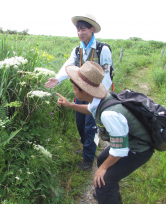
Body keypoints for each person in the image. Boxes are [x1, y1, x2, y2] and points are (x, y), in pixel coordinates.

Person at [56, 61, 154, 204]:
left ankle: (107, 193)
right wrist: (70, 105)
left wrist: (102, 169)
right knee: (102, 159)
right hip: (130, 142)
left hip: (139, 149)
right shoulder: (100, 99)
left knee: (104, 179)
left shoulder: (109, 115)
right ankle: (110, 196)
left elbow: (120, 149)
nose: (73, 91)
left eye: (74, 88)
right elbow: (91, 109)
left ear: (85, 90)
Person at [45, 14, 113, 170]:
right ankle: (86, 148)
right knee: (80, 123)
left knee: (90, 126)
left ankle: (88, 160)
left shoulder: (103, 49)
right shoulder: (77, 50)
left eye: (83, 29)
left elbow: (107, 76)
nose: (80, 33)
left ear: (92, 29)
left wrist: (99, 98)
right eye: (78, 30)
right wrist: (57, 79)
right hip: (80, 93)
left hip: (95, 95)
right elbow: (68, 64)